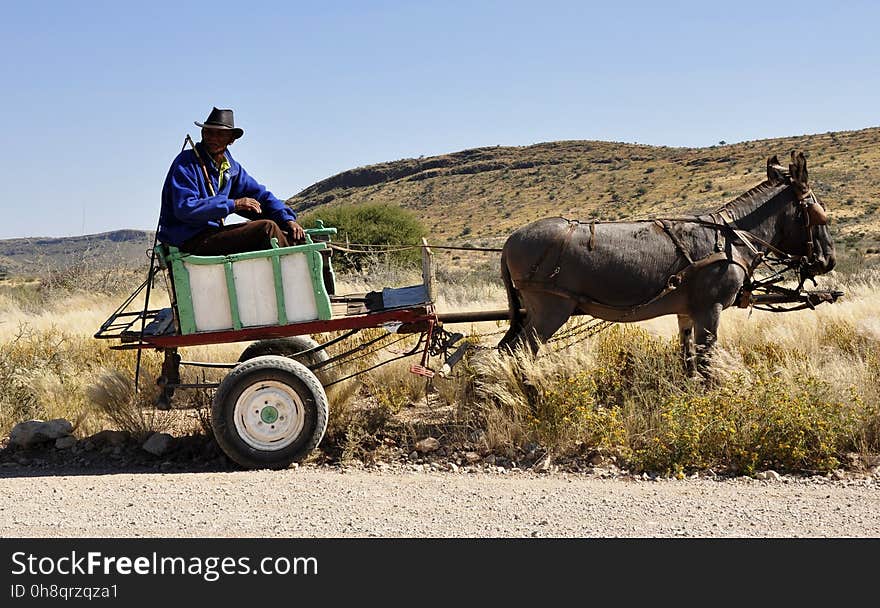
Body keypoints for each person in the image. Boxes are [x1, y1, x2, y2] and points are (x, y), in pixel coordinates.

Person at [158, 107, 305, 255]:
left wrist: (287, 219)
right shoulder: (186, 163)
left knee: (286, 230)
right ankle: (298, 262)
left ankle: (317, 252)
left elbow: (260, 196)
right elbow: (186, 208)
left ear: (231, 139)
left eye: (220, 134)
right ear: (202, 133)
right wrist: (233, 204)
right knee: (266, 228)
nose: (213, 138)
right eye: (209, 132)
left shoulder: (231, 168)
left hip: (212, 235)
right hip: (187, 239)